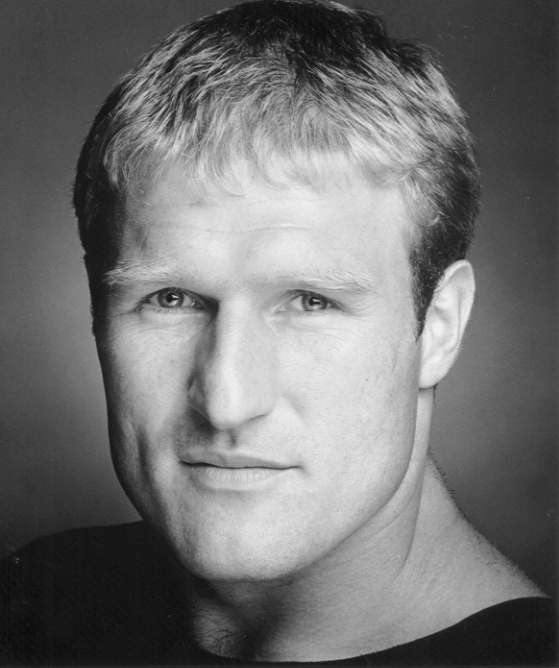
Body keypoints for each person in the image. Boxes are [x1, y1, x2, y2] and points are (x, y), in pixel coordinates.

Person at [1, 0, 555, 664]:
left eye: (310, 302)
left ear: (439, 326)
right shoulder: (38, 596)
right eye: (171, 300)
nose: (226, 401)